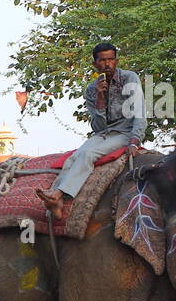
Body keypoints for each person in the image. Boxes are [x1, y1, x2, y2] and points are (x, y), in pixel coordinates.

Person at [36, 42, 146, 220]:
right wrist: (100, 99)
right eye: (102, 61)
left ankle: (58, 195)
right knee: (73, 157)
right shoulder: (91, 90)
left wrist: (135, 139)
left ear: (116, 61)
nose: (107, 64)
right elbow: (98, 127)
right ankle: (55, 196)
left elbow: (139, 111)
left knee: (88, 154)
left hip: (124, 133)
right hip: (103, 134)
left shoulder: (130, 78)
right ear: (95, 65)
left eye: (111, 59)